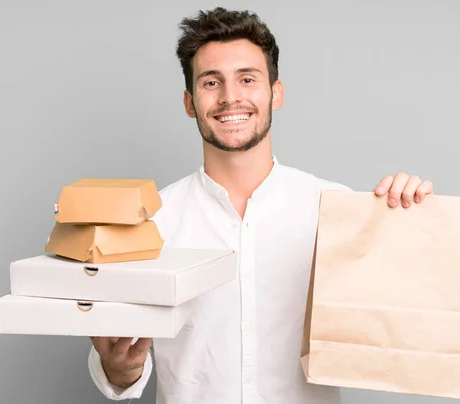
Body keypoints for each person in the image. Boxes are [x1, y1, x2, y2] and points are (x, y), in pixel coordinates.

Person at [87, 7, 434, 403]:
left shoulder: (335, 209)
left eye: (247, 79)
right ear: (189, 101)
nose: (230, 97)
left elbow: (392, 325)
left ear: (276, 93)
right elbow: (122, 357)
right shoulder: (151, 222)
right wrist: (120, 370)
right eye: (211, 82)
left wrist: (410, 219)